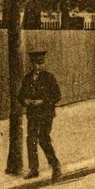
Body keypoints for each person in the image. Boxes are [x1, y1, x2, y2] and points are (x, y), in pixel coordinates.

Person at [19, 49, 63, 180]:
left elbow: (57, 95)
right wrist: (25, 100)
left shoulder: (48, 77)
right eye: (38, 63)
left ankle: (55, 165)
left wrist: (42, 101)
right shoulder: (27, 79)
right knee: (31, 139)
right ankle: (34, 169)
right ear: (32, 64)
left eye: (42, 63)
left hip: (46, 113)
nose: (40, 66)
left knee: (43, 138)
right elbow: (21, 95)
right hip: (32, 113)